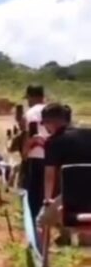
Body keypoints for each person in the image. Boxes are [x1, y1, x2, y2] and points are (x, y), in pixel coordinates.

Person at [38, 102, 91, 243]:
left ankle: (42, 256)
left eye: (45, 124)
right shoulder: (88, 134)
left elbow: (49, 176)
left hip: (73, 193)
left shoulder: (53, 142)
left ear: (52, 122)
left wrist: (47, 200)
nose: (45, 128)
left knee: (41, 220)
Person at [23, 84, 48, 224]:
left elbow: (30, 135)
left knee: (35, 197)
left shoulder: (31, 113)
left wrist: (25, 154)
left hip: (36, 157)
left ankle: (35, 228)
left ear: (31, 97)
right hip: (54, 157)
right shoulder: (53, 110)